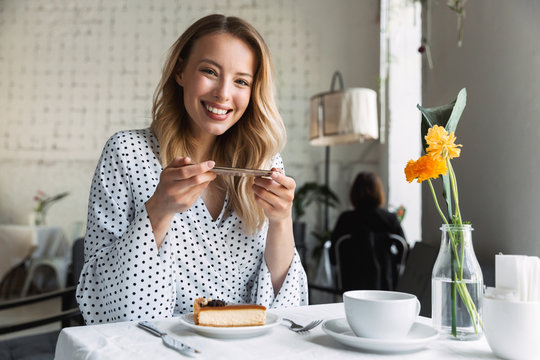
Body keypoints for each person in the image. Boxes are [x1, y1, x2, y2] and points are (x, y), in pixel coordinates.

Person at [76, 14, 308, 324]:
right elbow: (102, 301)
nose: (223, 93)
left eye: (241, 81)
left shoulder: (264, 164)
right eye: (210, 71)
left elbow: (288, 310)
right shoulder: (127, 153)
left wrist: (281, 221)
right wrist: (158, 210)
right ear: (180, 71)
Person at [329, 171, 406, 289]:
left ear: (353, 192)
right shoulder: (390, 219)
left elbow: (333, 257)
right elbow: (404, 253)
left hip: (351, 282)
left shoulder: (346, 219)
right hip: (385, 282)